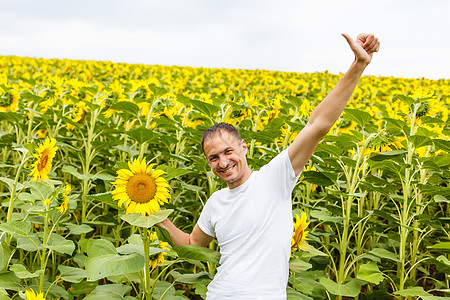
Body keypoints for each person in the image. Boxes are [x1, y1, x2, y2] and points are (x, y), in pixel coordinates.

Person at [156, 33, 380, 299]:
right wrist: (157, 217)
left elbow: (317, 126)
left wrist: (359, 65)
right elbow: (193, 244)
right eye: (213, 158)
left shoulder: (274, 178)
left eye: (228, 152)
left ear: (243, 148)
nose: (223, 162)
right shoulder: (215, 202)